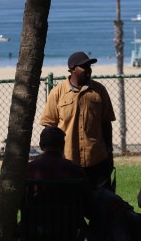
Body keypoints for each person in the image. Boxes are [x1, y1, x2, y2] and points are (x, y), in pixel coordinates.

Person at [40, 51, 116, 190]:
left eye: (89, 66)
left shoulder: (99, 90)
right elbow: (49, 127)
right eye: (84, 67)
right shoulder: (57, 92)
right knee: (71, 202)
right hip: (67, 161)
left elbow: (106, 123)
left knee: (100, 201)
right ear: (73, 69)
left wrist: (109, 152)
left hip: (97, 160)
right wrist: (54, 157)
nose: (88, 70)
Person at [27, 126, 89, 241]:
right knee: (55, 226)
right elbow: (87, 199)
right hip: (69, 228)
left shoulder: (30, 169)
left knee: (49, 227)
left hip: (34, 228)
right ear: (63, 145)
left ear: (41, 145)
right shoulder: (74, 169)